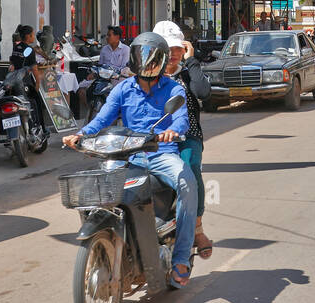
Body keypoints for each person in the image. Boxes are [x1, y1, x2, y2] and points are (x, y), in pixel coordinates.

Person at [64, 32, 195, 287]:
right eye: (142, 57)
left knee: (186, 182)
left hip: (161, 154)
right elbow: (102, 119)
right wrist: (80, 134)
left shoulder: (173, 88)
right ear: (134, 59)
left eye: (153, 58)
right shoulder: (123, 88)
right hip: (127, 156)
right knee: (99, 191)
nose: (147, 63)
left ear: (162, 60)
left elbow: (181, 118)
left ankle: (181, 258)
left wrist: (173, 131)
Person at [156, 20, 214, 260]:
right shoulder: (149, 73)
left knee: (190, 168)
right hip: (153, 137)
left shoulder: (189, 72)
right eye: (168, 50)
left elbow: (203, 93)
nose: (173, 55)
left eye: (177, 49)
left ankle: (197, 229)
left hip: (188, 136)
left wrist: (191, 61)